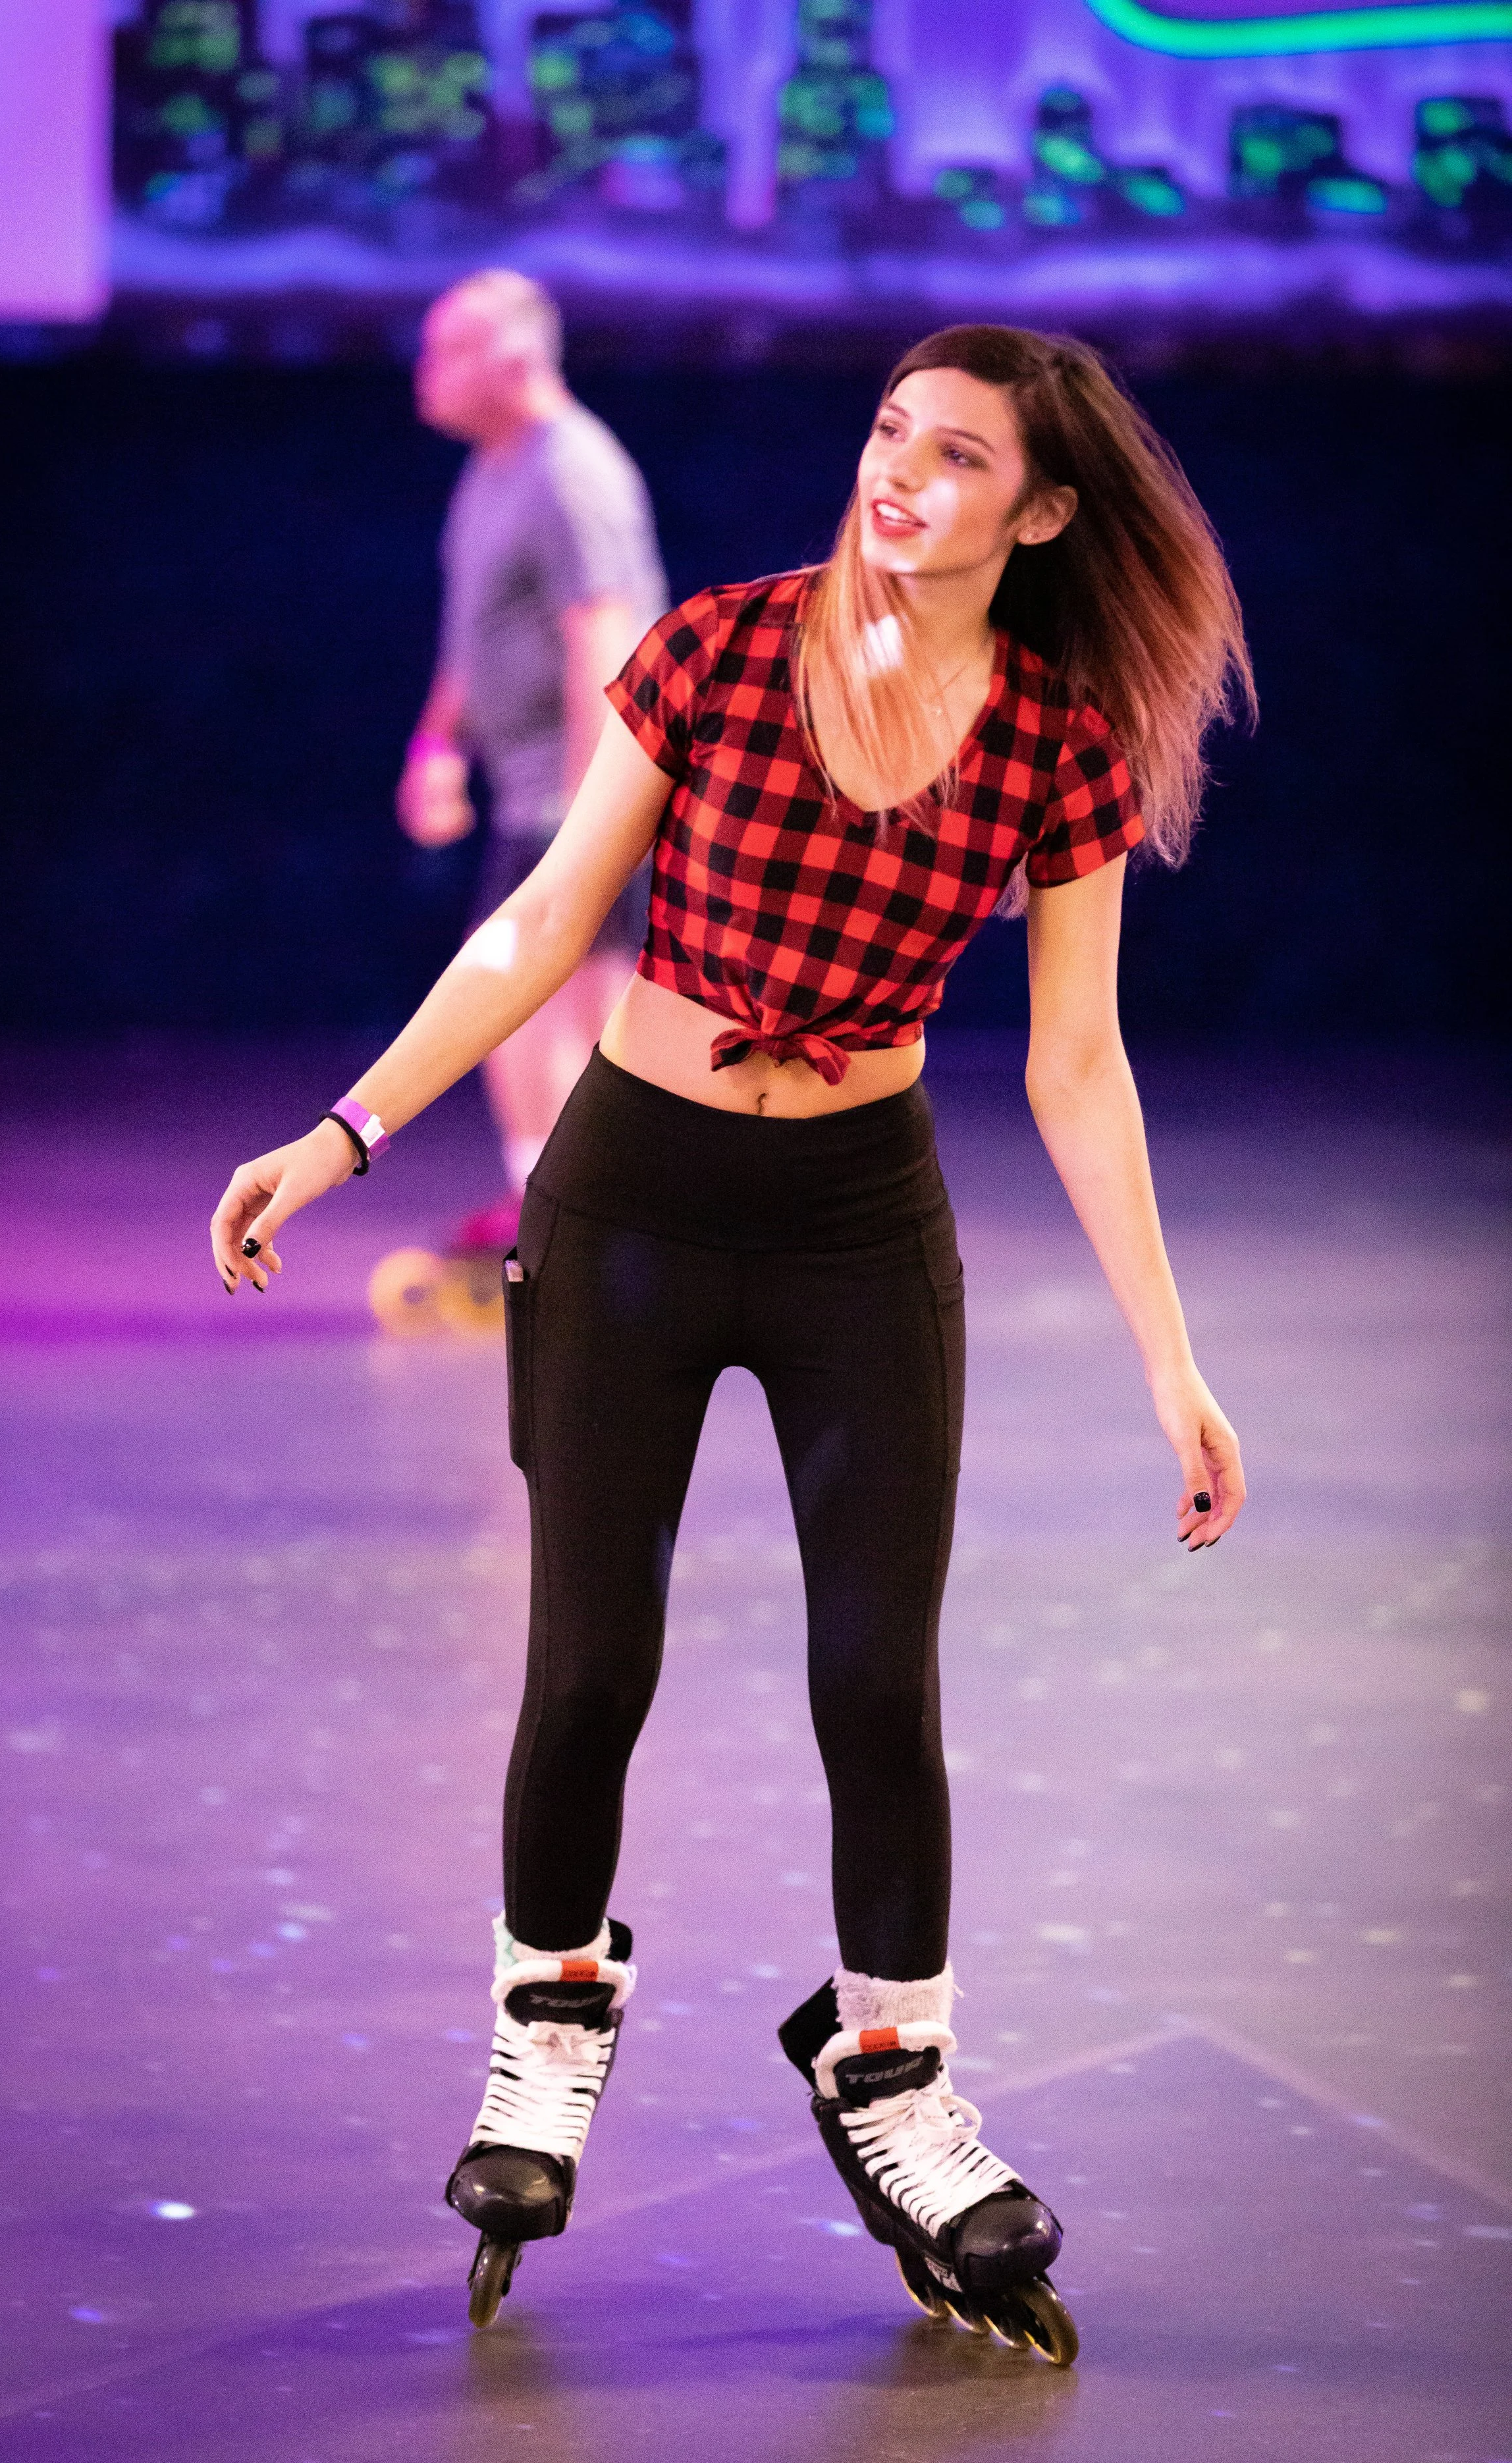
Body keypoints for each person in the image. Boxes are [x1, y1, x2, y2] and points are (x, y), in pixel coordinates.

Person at [211, 324, 1251, 2353]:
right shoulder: (715, 648)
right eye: (889, 433)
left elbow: (1077, 1061)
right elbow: (539, 923)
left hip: (859, 1221)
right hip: (633, 1199)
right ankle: (544, 2032)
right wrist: (347, 1131)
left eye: (957, 458)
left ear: (1042, 511)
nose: (900, 476)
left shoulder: (1056, 740)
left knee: (876, 1674)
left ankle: (892, 2073)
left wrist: (1169, 1358)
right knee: (591, 1653)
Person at [397, 267, 668, 1247]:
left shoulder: (570, 469)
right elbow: (481, 633)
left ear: (514, 359)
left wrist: (589, 819)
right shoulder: (496, 469)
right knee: (521, 1010)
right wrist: (439, 744)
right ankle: (559, 1212)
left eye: (450, 350)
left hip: (580, 796)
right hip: (533, 795)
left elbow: (605, 634)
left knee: (559, 1011)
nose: (426, 369)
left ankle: (589, 1222)